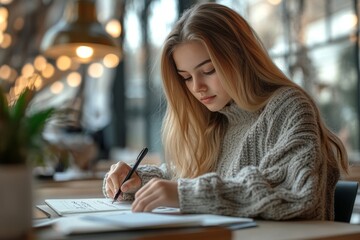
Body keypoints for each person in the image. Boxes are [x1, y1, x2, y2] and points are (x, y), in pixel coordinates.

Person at [103, 2, 348, 220]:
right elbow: (186, 174)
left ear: (241, 58)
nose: (197, 87)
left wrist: (184, 193)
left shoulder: (287, 106)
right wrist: (138, 181)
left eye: (208, 71)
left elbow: (294, 192)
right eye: (186, 77)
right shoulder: (218, 118)